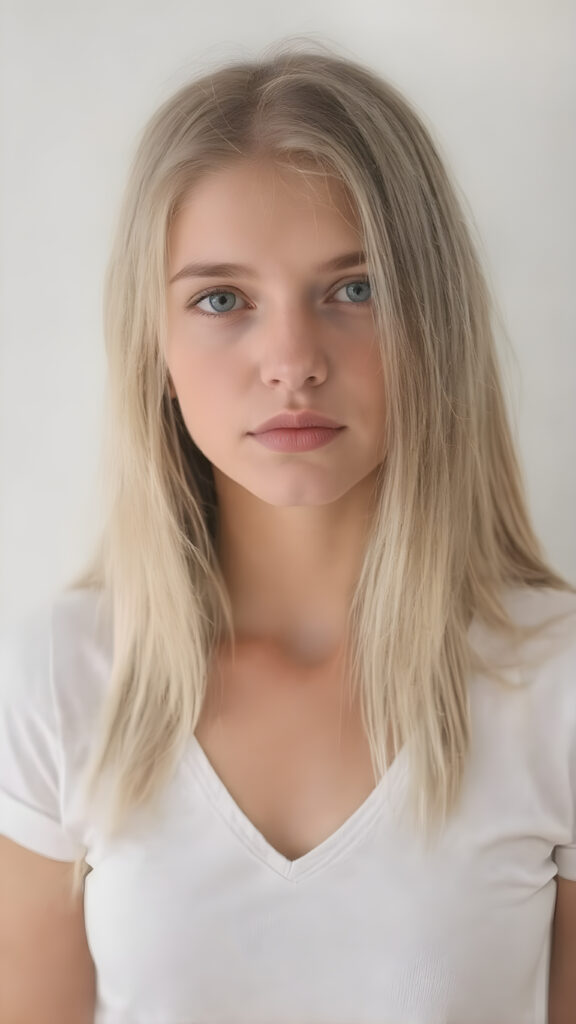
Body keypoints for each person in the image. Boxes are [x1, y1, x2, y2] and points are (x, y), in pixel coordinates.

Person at [1, 38, 575, 1024]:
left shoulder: (555, 683)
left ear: (433, 320)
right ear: (157, 344)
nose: (293, 360)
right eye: (223, 299)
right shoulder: (60, 678)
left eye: (355, 288)